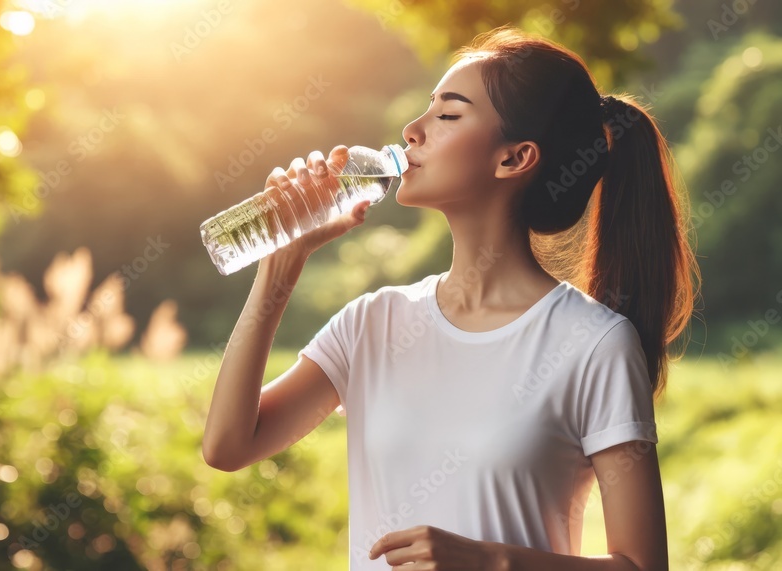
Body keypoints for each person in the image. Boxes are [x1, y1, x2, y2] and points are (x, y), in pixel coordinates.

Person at [202, 25, 699, 571]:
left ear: (514, 159)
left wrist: (491, 561)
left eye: (447, 115)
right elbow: (228, 446)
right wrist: (280, 268)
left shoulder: (593, 343)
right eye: (425, 109)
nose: (411, 131)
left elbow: (642, 566)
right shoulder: (373, 322)